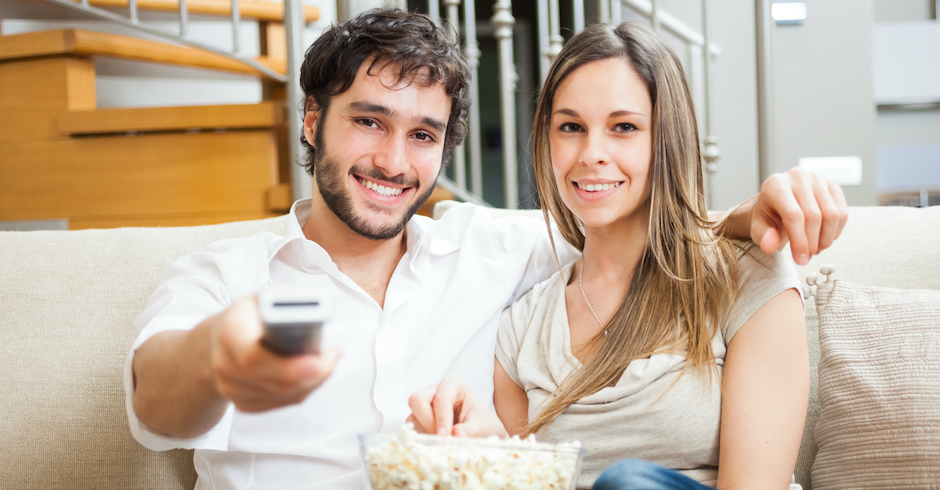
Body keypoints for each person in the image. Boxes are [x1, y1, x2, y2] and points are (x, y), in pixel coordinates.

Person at [125, 9, 846, 490]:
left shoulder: (488, 247)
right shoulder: (226, 275)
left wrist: (750, 216)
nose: (392, 160)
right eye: (369, 121)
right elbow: (157, 405)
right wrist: (221, 353)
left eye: (422, 135)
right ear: (314, 119)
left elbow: (628, 217)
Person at [407, 22, 811, 489]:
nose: (592, 153)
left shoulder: (747, 277)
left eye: (624, 127)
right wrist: (487, 445)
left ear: (666, 138)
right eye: (571, 127)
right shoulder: (520, 329)